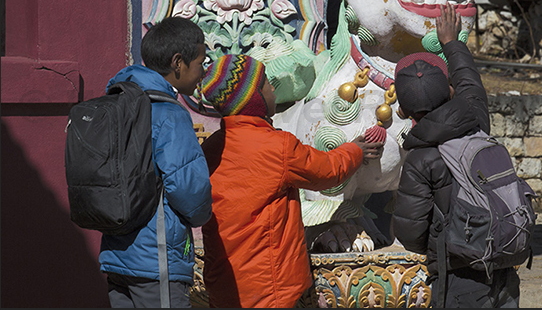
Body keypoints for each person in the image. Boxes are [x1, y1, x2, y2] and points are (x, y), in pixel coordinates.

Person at [198, 54, 384, 308]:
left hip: (223, 282)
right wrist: (355, 150)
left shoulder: (210, 148)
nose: (273, 87)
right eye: (265, 83)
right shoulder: (277, 146)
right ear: (254, 99)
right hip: (269, 284)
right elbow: (326, 171)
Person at [391, 3, 520, 308]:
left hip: (460, 277)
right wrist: (452, 42)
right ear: (449, 92)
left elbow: (411, 234)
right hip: (503, 266)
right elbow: (470, 82)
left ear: (403, 111)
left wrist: (448, 238)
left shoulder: (420, 161)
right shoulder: (475, 121)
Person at [100, 16, 213, 308]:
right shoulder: (167, 112)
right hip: (156, 260)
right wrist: (202, 215)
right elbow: (189, 189)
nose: (203, 72)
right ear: (178, 62)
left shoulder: (117, 102)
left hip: (117, 254)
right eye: (201, 61)